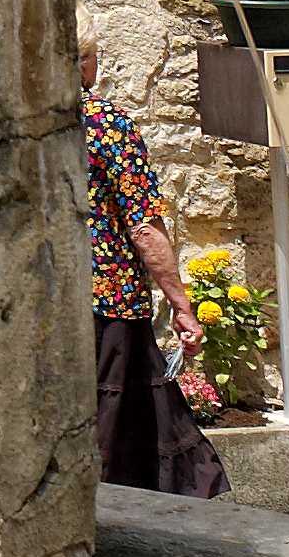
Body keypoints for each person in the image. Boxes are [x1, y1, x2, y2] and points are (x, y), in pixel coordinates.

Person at [84, 30, 228, 496]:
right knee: (121, 434)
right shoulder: (107, 125)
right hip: (111, 305)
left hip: (44, 300)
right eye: (95, 57)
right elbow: (144, 226)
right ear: (83, 61)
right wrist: (182, 305)